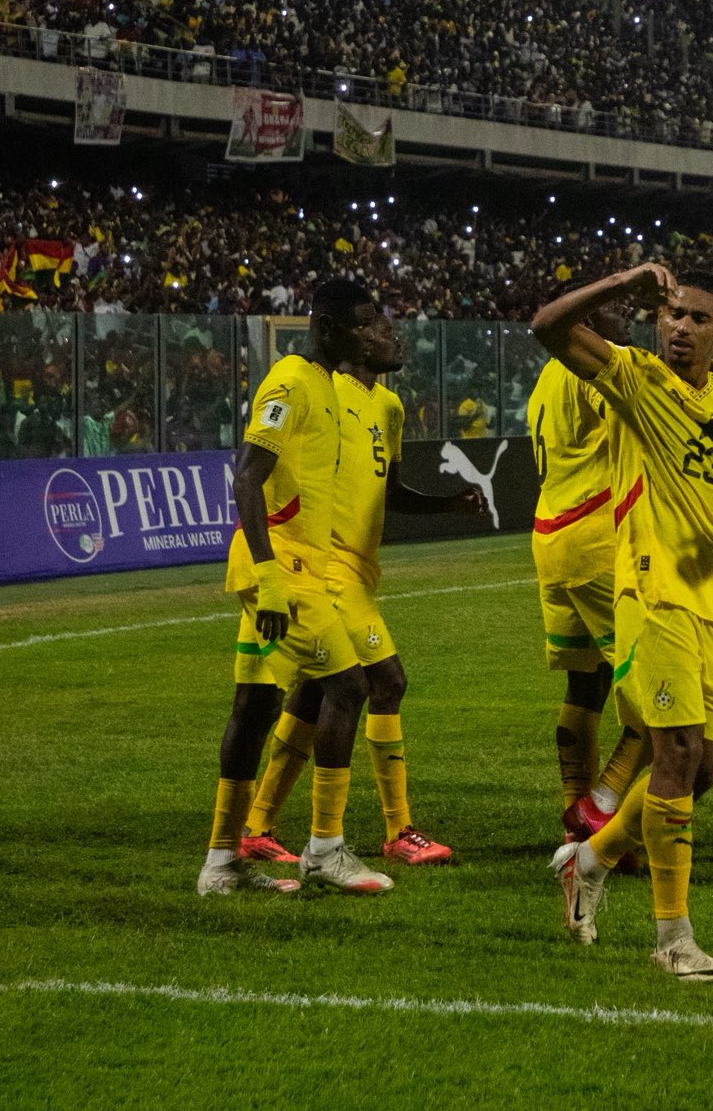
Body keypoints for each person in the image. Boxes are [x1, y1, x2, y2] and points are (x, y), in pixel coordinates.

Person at [533, 262, 713, 981]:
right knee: (678, 752)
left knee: (702, 770)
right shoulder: (632, 377)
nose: (680, 328)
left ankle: (589, 861)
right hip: (651, 591)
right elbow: (548, 327)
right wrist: (622, 282)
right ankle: (673, 939)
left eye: (697, 318)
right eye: (672, 315)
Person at [238, 300, 486, 866]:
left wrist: (446, 504)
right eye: (380, 328)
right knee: (385, 681)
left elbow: (388, 491)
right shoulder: (321, 391)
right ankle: (394, 829)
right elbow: (261, 468)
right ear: (354, 337)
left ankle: (257, 824)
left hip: (360, 571)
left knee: (314, 693)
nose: (394, 338)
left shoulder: (390, 407)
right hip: (325, 567)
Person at [199, 279, 381, 897]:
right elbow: (246, 477)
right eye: (361, 323)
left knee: (254, 709)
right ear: (328, 327)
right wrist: (270, 577)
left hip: (294, 567)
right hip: (282, 570)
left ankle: (221, 865)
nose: (369, 334)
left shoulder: (326, 384)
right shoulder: (290, 383)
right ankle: (325, 849)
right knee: (349, 685)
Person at [524, 299, 646, 838]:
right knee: (659, 690)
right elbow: (643, 418)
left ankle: (576, 817)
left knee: (586, 684)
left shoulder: (545, 379)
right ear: (588, 323)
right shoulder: (593, 369)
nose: (628, 319)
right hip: (598, 541)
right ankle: (601, 802)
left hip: (552, 538)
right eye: (617, 311)